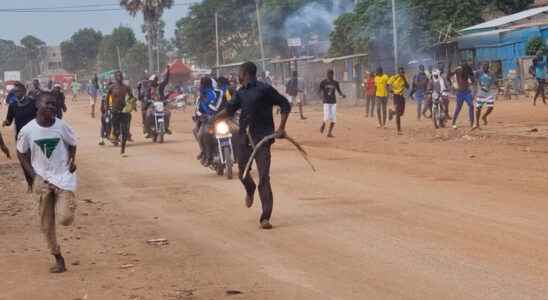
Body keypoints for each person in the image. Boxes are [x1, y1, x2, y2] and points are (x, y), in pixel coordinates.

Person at [213, 62, 291, 230]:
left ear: (246, 73)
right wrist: (214, 119)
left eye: (240, 73)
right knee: (242, 174)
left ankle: (265, 217)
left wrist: (281, 128)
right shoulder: (240, 93)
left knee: (264, 177)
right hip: (245, 139)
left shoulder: (264, 89)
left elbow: (285, 104)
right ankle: (250, 189)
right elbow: (229, 110)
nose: (238, 76)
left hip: (262, 140)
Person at [16, 92, 78, 274]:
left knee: (65, 218)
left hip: (63, 178)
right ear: (37, 105)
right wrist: (33, 174)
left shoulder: (62, 126)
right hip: (42, 181)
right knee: (46, 224)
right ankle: (58, 258)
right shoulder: (27, 130)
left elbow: (73, 143)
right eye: (48, 103)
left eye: (54, 104)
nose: (52, 107)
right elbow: (21, 152)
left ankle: (69, 204)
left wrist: (72, 160)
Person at [193, 77, 221, 166]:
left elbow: (217, 106)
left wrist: (208, 107)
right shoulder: (199, 97)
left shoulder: (216, 93)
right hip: (206, 120)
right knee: (200, 134)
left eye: (202, 84)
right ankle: (205, 153)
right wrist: (201, 115)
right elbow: (197, 109)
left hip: (218, 118)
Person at [106, 71, 134, 155]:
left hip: (124, 111)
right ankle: (114, 135)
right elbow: (107, 97)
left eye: (121, 76)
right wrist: (107, 106)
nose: (119, 77)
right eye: (118, 76)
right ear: (115, 77)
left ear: (122, 77)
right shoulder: (112, 87)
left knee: (125, 130)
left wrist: (132, 105)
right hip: (115, 110)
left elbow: (131, 97)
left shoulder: (126, 87)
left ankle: (123, 149)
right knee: (116, 128)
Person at [144, 66, 172, 138]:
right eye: (152, 81)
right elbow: (146, 96)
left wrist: (168, 71)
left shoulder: (161, 86)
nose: (154, 82)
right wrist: (147, 99)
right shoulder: (149, 88)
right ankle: (148, 129)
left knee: (168, 113)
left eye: (155, 80)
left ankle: (166, 127)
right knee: (148, 115)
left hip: (161, 105)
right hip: (151, 105)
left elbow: (166, 80)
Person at [448, 62, 475, 129]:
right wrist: (449, 68)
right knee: (458, 108)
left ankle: (472, 124)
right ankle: (453, 122)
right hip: (460, 93)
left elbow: (472, 82)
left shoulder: (468, 73)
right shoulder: (458, 71)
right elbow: (449, 75)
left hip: (467, 92)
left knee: (471, 105)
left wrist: (472, 91)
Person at [319, 69, 346, 138]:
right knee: (326, 116)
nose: (329, 76)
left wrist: (342, 95)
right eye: (328, 74)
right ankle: (323, 125)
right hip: (326, 102)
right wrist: (321, 95)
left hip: (333, 102)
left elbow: (339, 91)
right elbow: (320, 90)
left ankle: (329, 133)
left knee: (334, 119)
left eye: (330, 74)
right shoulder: (323, 82)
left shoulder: (335, 83)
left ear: (332, 75)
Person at [387, 67, 410, 134]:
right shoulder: (394, 77)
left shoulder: (404, 78)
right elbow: (387, 84)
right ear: (398, 72)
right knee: (398, 113)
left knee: (401, 113)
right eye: (401, 72)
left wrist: (404, 79)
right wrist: (390, 91)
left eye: (403, 72)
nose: (402, 73)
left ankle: (391, 112)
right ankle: (398, 130)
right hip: (396, 96)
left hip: (402, 97)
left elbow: (408, 87)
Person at [474, 64, 496, 129]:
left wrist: (497, 86)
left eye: (486, 68)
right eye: (484, 68)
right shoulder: (479, 72)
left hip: (488, 93)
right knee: (478, 108)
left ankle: (484, 116)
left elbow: (494, 81)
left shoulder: (491, 74)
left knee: (491, 108)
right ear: (482, 68)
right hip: (480, 93)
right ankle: (477, 123)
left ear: (488, 68)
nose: (485, 69)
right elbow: (473, 75)